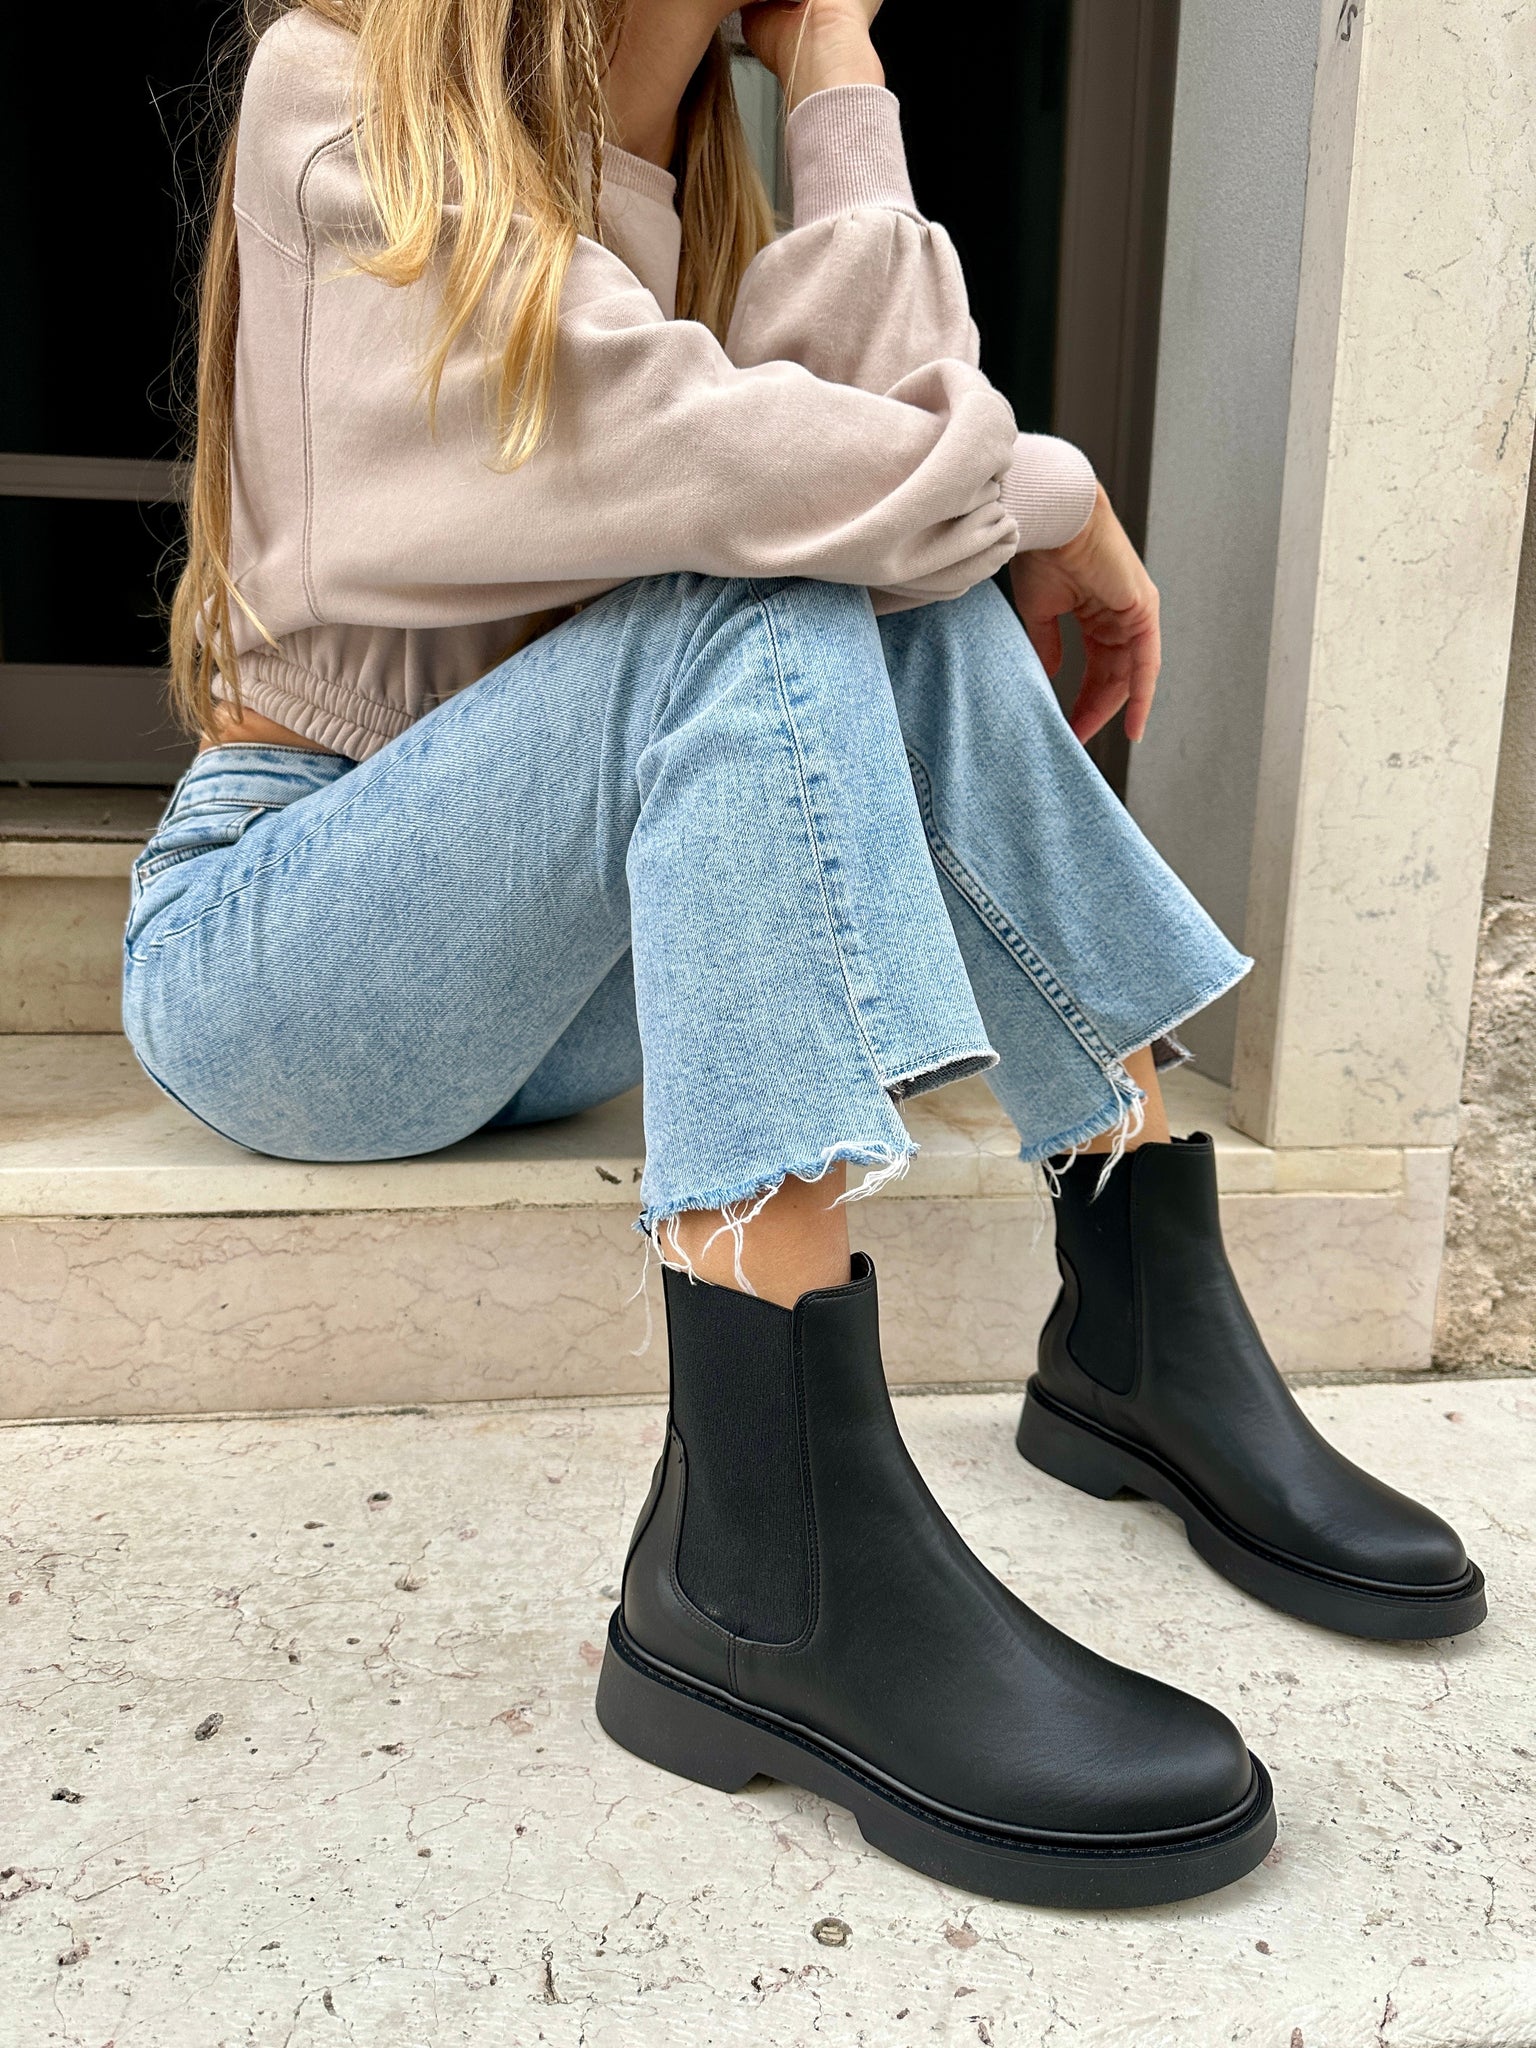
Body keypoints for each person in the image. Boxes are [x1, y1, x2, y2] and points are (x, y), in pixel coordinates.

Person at [123, 0, 1484, 1907]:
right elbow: (727, 467)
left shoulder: (697, 193)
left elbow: (892, 476)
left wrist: (833, 65)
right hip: (289, 949)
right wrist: (1059, 490)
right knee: (760, 597)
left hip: (556, 982)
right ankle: (762, 1551)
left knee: (885, 592)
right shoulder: (346, 93)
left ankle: (1139, 1304)